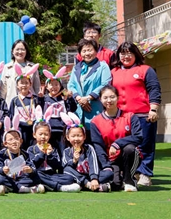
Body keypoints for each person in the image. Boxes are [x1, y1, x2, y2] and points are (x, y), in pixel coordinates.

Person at [110, 42, 161, 187]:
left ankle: (145, 174)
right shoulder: (113, 72)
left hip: (143, 115)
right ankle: (128, 173)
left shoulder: (146, 70)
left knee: (145, 145)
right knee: (125, 146)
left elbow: (154, 89)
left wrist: (153, 109)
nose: (125, 56)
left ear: (136, 54)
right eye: (122, 53)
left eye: (129, 53)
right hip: (122, 117)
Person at [90, 85, 143, 192]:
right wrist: (106, 166)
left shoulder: (130, 116)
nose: (109, 100)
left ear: (118, 98)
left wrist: (117, 143)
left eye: (112, 97)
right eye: (105, 98)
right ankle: (120, 178)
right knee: (115, 185)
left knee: (129, 148)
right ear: (100, 99)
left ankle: (129, 180)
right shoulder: (95, 122)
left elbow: (138, 136)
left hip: (128, 156)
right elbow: (98, 146)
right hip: (110, 160)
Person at [27, 109, 81, 192]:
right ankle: (59, 187)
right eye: (40, 134)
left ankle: (47, 185)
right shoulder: (31, 149)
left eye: (46, 134)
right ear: (34, 135)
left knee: (69, 178)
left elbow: (58, 166)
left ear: (49, 135)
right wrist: (42, 154)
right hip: (39, 174)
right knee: (36, 175)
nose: (43, 137)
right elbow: (33, 165)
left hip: (51, 175)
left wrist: (50, 155)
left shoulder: (53, 149)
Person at [61, 112, 112, 192]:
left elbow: (93, 164)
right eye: (73, 136)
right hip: (78, 176)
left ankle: (88, 185)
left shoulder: (89, 148)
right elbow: (66, 166)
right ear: (68, 137)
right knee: (67, 170)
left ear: (84, 136)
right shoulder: (66, 151)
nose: (76, 139)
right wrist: (74, 161)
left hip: (90, 176)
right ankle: (90, 185)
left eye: (79, 136)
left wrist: (94, 178)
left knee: (109, 173)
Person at [67, 39, 112, 129]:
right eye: (84, 51)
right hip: (78, 109)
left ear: (96, 51)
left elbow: (105, 84)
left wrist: (88, 98)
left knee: (95, 132)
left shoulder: (102, 66)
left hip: (95, 107)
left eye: (90, 50)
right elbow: (71, 85)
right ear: (80, 53)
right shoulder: (76, 68)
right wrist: (79, 98)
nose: (87, 53)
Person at [0, 118, 44, 193]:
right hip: (8, 178)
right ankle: (24, 189)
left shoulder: (25, 154)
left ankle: (12, 188)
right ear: (5, 143)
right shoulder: (2, 154)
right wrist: (2, 169)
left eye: (16, 139)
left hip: (21, 179)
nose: (14, 142)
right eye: (10, 140)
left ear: (21, 141)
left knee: (36, 178)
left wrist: (30, 170)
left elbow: (32, 167)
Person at [41, 66, 78, 156]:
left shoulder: (63, 98)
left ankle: (64, 164)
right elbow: (39, 110)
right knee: (48, 151)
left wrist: (70, 98)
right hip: (48, 131)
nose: (54, 87)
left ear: (60, 86)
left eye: (56, 84)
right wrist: (39, 98)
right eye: (51, 84)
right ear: (47, 86)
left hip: (61, 130)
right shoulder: (44, 99)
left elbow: (72, 109)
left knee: (62, 151)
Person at [7, 64, 42, 149]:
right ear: (17, 85)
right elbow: (11, 115)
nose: (24, 85)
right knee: (22, 146)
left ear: (30, 84)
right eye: (21, 83)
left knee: (33, 147)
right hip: (20, 128)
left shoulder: (35, 99)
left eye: (26, 83)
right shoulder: (15, 100)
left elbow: (40, 111)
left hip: (33, 127)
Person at [0, 40, 41, 104]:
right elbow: (2, 89)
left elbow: (37, 87)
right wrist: (2, 105)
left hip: (29, 104)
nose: (20, 52)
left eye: (22, 49)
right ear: (12, 51)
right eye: (17, 49)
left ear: (26, 51)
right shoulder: (7, 68)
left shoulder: (32, 67)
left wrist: (38, 102)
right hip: (11, 104)